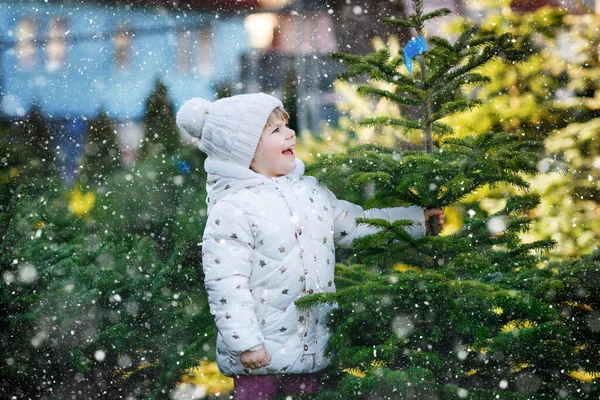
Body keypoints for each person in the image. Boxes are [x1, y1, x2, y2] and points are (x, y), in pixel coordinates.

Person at [176, 93, 444, 400]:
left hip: (312, 349)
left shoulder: (312, 191)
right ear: (244, 150)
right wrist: (246, 343)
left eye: (286, 126)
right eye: (275, 131)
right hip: (259, 359)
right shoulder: (233, 209)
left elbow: (355, 224)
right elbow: (226, 284)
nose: (290, 133)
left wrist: (415, 222)